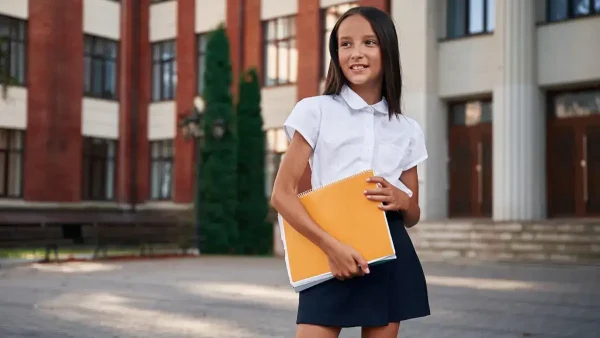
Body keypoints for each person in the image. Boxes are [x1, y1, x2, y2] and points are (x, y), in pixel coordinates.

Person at [270, 6, 431, 338]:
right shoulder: (315, 110)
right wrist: (331, 248)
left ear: (387, 50)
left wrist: (403, 199)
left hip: (389, 252)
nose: (356, 53)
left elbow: (413, 215)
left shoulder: (408, 129)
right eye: (345, 44)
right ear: (336, 53)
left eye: (369, 42)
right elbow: (282, 195)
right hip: (328, 248)